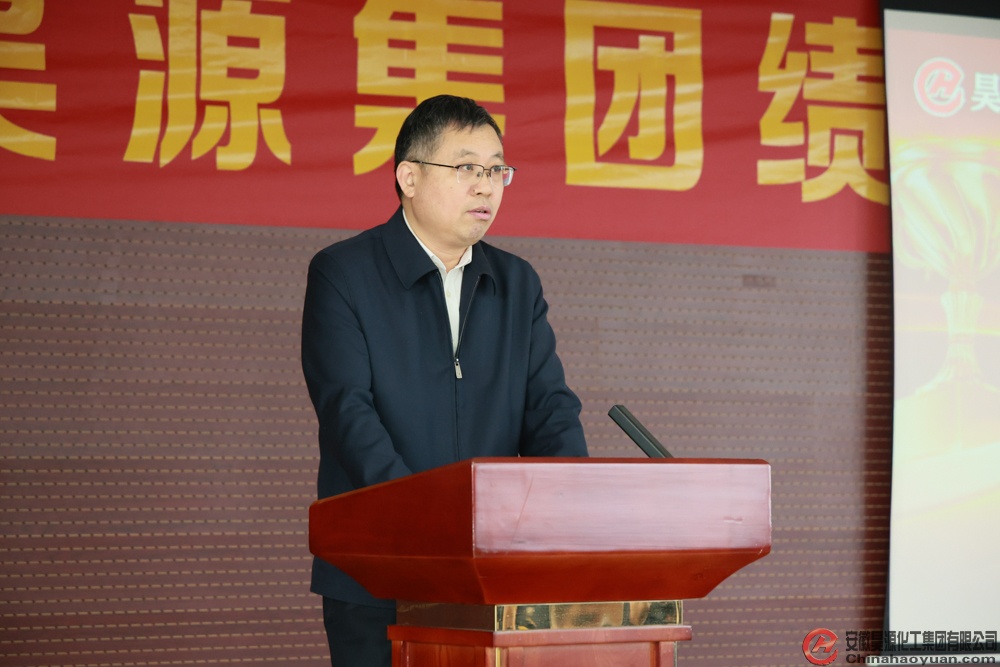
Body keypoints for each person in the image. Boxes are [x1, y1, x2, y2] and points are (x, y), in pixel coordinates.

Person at [300, 94, 589, 667]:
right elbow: (348, 413)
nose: (486, 187)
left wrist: (575, 508)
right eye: (466, 168)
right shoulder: (343, 273)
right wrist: (432, 526)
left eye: (497, 171)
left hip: (492, 575)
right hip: (377, 573)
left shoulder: (517, 283)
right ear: (408, 177)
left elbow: (550, 411)